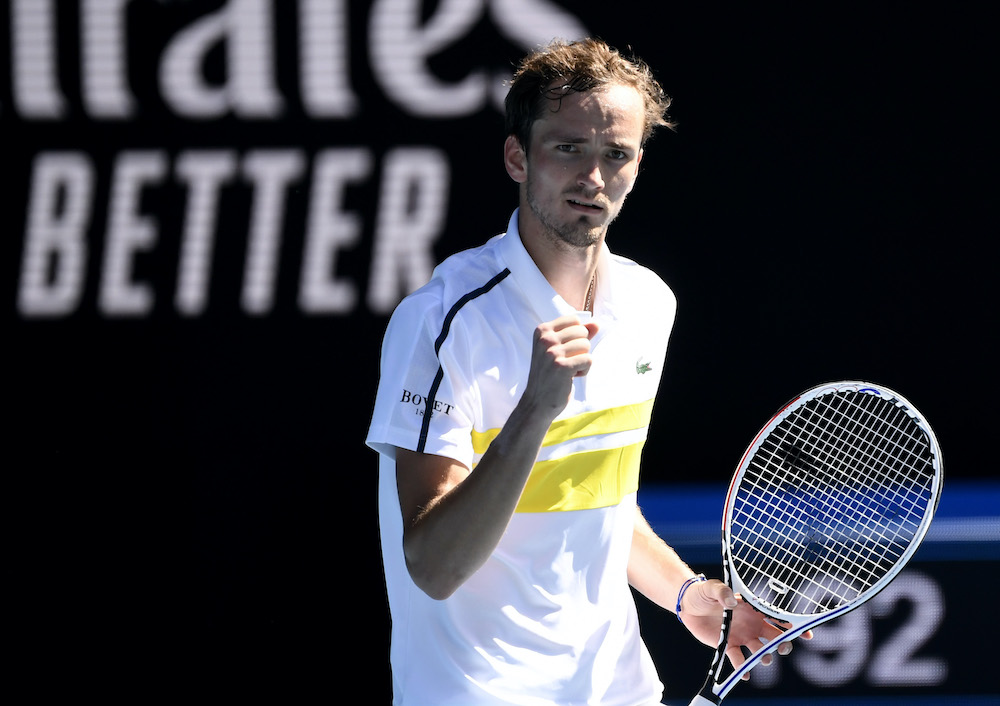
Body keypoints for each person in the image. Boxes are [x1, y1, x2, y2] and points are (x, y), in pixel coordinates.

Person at [366, 37, 804, 705]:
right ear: (518, 157)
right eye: (568, 148)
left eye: (616, 154)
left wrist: (686, 594)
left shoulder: (648, 303)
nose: (593, 178)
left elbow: (596, 504)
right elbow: (432, 565)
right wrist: (535, 410)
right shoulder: (442, 322)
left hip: (615, 688)